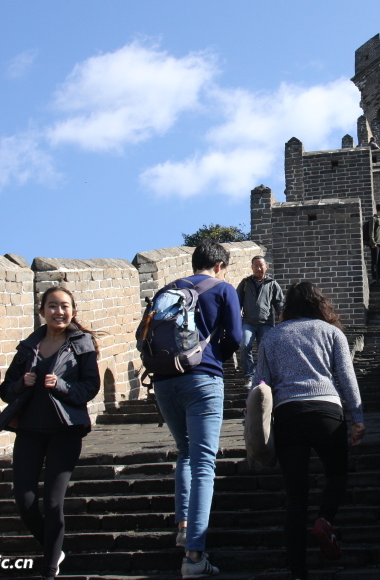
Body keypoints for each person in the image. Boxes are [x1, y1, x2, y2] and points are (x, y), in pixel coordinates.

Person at [253, 282, 364, 580]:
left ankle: (298, 571)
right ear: (320, 304)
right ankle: (325, 520)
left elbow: (259, 385)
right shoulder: (332, 333)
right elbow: (347, 378)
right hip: (328, 411)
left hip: (289, 414)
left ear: (287, 306)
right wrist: (357, 417)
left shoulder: (272, 337)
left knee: (296, 496)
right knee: (337, 474)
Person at [0, 286, 101, 580]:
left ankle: (50, 566)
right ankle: (53, 548)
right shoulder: (28, 347)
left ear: (73, 311)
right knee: (24, 500)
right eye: (52, 306)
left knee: (54, 502)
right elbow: (5, 391)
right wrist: (22, 384)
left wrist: (62, 386)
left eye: (65, 306)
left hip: (65, 430)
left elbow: (90, 387)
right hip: (29, 430)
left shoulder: (82, 345)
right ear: (41, 311)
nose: (59, 312)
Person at [154, 241, 242, 579]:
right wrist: (214, 354)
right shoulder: (223, 289)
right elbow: (234, 336)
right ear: (220, 265)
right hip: (203, 378)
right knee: (205, 461)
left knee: (185, 453)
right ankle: (194, 557)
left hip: (164, 381)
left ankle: (183, 525)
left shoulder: (168, 288)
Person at [236, 256, 285, 388]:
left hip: (266, 323)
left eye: (261, 265)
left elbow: (279, 302)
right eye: (256, 266)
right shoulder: (245, 283)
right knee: (245, 345)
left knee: (267, 349)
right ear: (252, 267)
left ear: (266, 267)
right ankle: (249, 376)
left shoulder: (272, 284)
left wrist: (282, 315)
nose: (259, 268)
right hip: (248, 323)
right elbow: (236, 303)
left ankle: (266, 376)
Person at [366, 204, 380, 285]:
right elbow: (371, 231)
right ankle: (374, 278)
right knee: (375, 261)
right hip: (375, 244)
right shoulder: (373, 219)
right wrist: (373, 242)